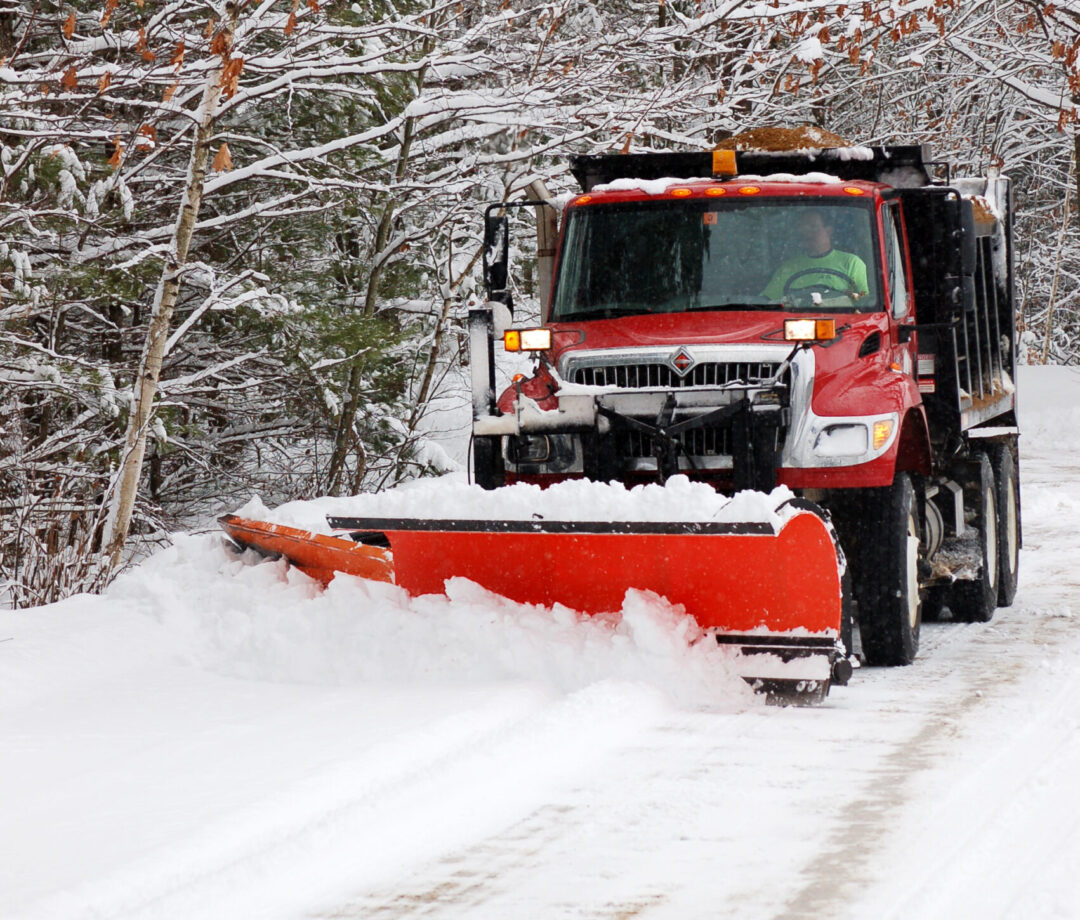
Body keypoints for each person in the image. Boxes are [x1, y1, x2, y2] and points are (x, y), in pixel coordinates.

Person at [762, 209, 868, 303]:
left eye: (813, 227)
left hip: (842, 323)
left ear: (829, 230)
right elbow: (767, 301)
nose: (806, 233)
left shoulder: (851, 263)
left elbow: (864, 300)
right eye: (802, 229)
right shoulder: (788, 268)